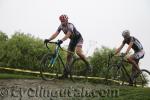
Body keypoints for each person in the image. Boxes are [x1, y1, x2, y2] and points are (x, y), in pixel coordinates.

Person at [44, 14, 92, 78]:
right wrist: (48, 39)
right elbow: (55, 34)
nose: (62, 22)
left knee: (78, 52)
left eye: (63, 21)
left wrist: (62, 40)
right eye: (61, 21)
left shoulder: (70, 26)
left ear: (67, 20)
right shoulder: (61, 26)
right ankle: (65, 74)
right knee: (68, 57)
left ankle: (88, 64)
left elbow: (68, 34)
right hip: (72, 40)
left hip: (78, 39)